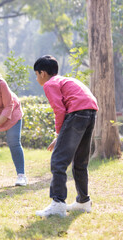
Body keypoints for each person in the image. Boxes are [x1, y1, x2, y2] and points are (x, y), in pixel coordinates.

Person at [33, 55, 98, 218]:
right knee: (80, 161)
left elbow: (59, 110)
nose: (37, 78)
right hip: (90, 112)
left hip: (76, 113)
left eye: (36, 74)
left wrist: (58, 134)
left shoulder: (50, 84)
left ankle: (58, 204)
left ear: (42, 73)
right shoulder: (65, 80)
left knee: (58, 161)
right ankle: (83, 201)